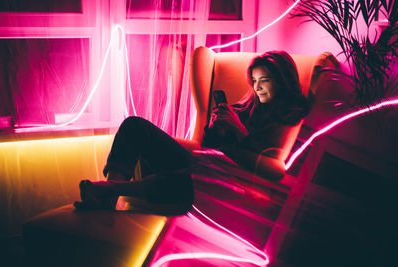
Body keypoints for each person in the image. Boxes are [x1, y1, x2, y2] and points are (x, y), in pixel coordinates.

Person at [74, 50, 310, 212]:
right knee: (134, 125)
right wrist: (217, 128)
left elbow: (275, 169)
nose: (257, 87)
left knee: (185, 179)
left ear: (281, 81)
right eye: (254, 80)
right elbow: (208, 144)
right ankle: (106, 203)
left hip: (231, 181)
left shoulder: (292, 114)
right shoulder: (249, 104)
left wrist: (239, 133)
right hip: (205, 162)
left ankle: (107, 190)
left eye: (264, 80)